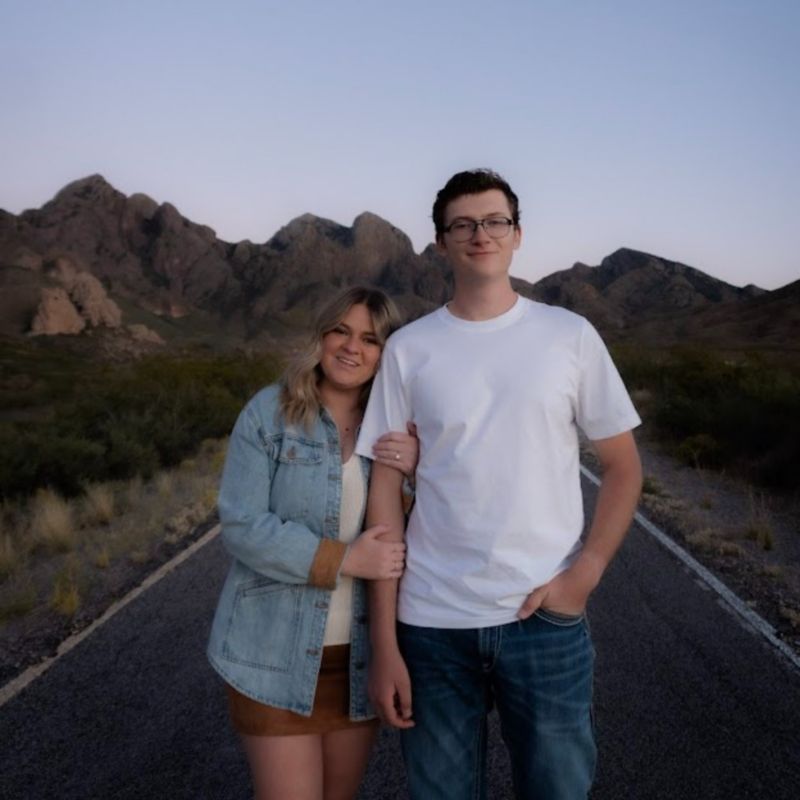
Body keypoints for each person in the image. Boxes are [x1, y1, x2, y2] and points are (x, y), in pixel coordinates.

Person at [355, 169, 643, 799]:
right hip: (430, 625)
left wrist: (585, 575)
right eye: (462, 225)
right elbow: (384, 496)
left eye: (494, 221)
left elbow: (623, 466)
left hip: (544, 617)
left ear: (517, 234)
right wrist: (384, 641)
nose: (479, 234)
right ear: (441, 243)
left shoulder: (569, 336)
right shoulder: (409, 349)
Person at [207, 286, 418, 800]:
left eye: (370, 339)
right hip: (271, 656)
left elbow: (422, 536)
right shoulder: (270, 413)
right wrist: (343, 559)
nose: (351, 348)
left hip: (358, 660)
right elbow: (242, 525)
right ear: (321, 336)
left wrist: (418, 473)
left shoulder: (392, 429)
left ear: (385, 353)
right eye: (340, 331)